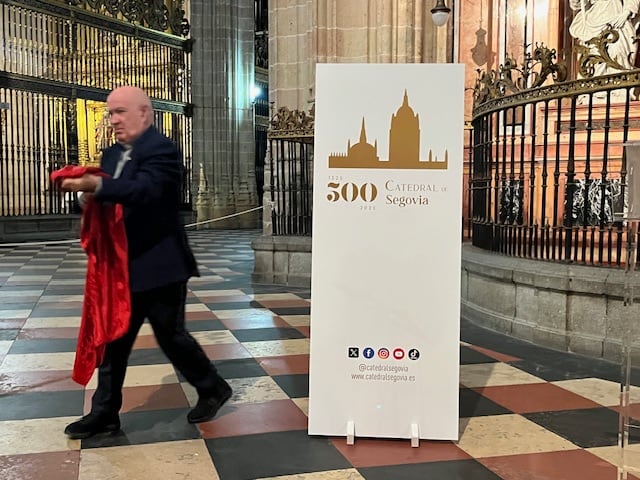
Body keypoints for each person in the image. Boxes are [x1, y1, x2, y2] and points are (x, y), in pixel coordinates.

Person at [60, 85, 232, 439]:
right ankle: (105, 413)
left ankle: (212, 387)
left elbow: (147, 190)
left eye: (120, 112)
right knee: (113, 340)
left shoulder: (163, 151)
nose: (114, 120)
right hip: (122, 267)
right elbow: (107, 200)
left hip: (160, 265)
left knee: (171, 337)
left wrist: (98, 187)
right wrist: (87, 200)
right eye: (110, 113)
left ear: (144, 113)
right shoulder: (110, 155)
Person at [569, 0, 640, 77]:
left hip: (615, 14)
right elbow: (580, 4)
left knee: (617, 51)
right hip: (594, 16)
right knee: (592, 56)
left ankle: (618, 85)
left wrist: (627, 11)